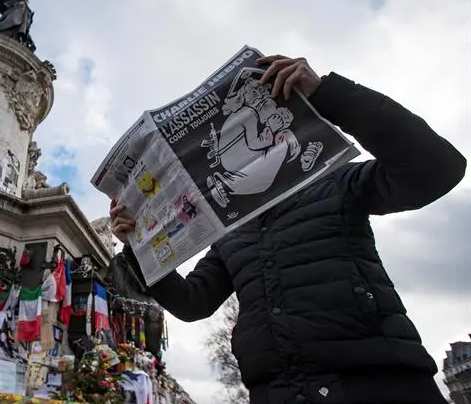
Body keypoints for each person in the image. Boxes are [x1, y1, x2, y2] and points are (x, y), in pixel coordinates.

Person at [109, 54, 466, 404]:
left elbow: (436, 169)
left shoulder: (335, 181)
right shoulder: (230, 231)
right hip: (278, 391)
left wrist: (328, 94)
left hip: (378, 382)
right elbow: (192, 302)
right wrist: (139, 245)